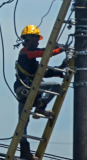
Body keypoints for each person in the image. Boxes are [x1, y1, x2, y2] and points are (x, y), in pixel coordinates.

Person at [13, 25, 67, 160]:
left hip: (25, 91)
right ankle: (40, 108)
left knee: (23, 123)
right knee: (55, 87)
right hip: (26, 88)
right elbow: (44, 52)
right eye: (36, 38)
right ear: (29, 38)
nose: (38, 41)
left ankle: (25, 154)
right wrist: (59, 49)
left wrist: (61, 70)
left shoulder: (30, 60)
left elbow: (45, 71)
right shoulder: (26, 52)